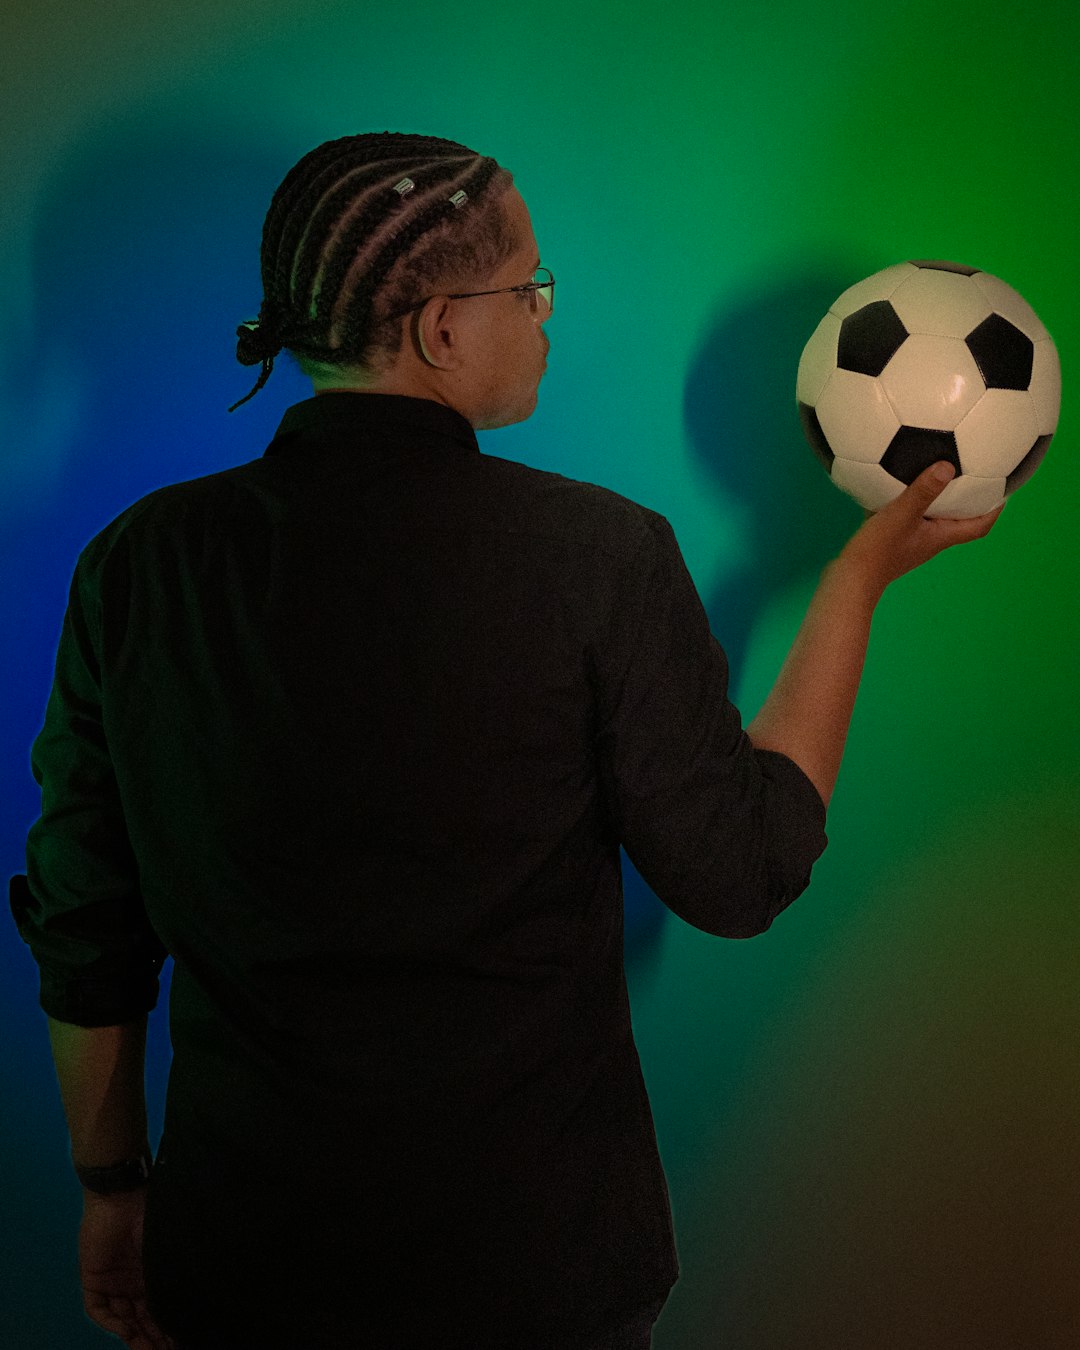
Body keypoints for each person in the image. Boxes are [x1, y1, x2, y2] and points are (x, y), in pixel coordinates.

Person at [8, 132, 1006, 1350]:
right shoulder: (598, 556)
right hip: (536, 1273)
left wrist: (112, 1190)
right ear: (440, 331)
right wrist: (853, 584)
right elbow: (741, 874)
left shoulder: (135, 565)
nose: (544, 317)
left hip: (246, 1262)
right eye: (530, 290)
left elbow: (87, 930)